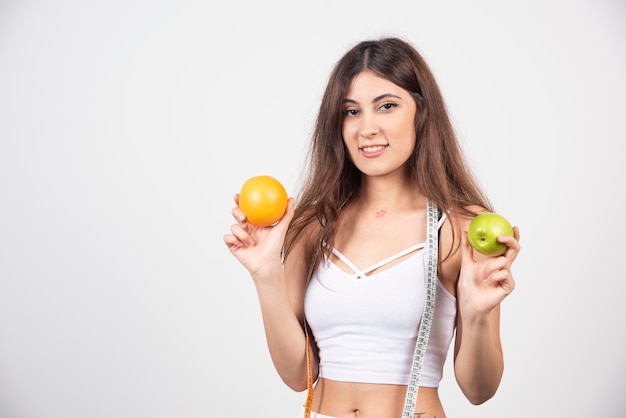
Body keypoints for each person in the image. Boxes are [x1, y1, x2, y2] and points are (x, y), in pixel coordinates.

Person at [224, 37, 521, 418]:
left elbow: (479, 390)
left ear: (421, 112)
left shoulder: (460, 227)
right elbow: (298, 375)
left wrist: (478, 314)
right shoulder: (313, 225)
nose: (367, 128)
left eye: (387, 106)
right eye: (351, 111)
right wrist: (266, 274)